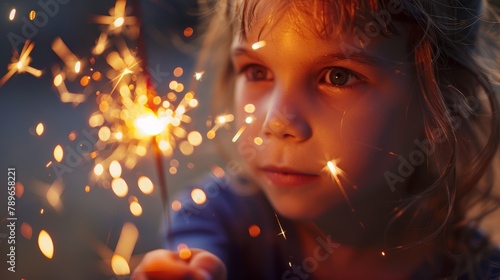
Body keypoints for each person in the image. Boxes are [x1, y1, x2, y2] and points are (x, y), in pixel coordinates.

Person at [133, 0, 500, 279]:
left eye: (338, 76)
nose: (277, 123)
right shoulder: (217, 219)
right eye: (257, 71)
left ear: (442, 100)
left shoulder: (477, 268)